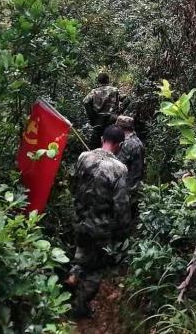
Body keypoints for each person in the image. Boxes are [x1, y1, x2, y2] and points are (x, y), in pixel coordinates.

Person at [67, 125, 131, 318]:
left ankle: (73, 275)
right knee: (95, 269)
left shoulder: (83, 157)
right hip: (100, 227)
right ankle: (80, 307)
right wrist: (122, 231)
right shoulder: (119, 169)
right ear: (120, 145)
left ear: (102, 139)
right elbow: (121, 205)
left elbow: (73, 184)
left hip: (79, 220)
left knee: (81, 250)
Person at [83, 72, 122, 150]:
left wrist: (91, 115)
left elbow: (85, 102)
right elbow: (126, 99)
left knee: (96, 141)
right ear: (108, 80)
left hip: (98, 119)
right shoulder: (115, 90)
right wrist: (119, 111)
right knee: (111, 140)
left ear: (99, 81)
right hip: (111, 118)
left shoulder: (94, 91)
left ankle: (94, 155)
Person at [115, 115, 145, 191]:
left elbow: (117, 165)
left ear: (120, 128)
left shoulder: (127, 144)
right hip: (136, 184)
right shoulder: (137, 140)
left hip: (127, 186)